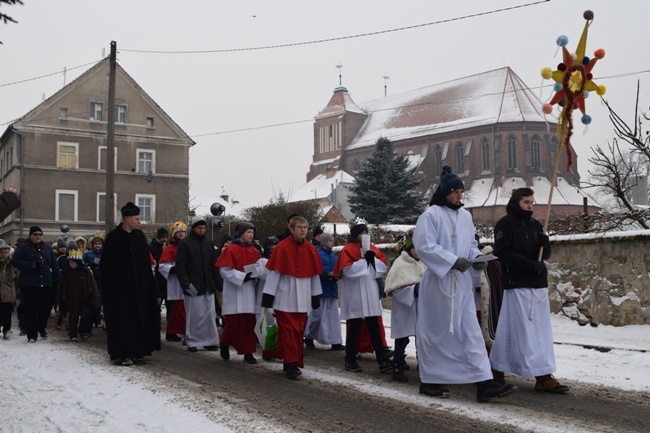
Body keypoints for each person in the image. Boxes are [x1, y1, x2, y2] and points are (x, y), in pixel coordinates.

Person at [413, 166, 515, 402]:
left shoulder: (466, 216)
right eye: (456, 192)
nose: (460, 196)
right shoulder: (430, 216)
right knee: (436, 332)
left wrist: (476, 259)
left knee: (471, 331)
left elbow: (470, 245)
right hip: (439, 283)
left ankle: (484, 382)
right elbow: (425, 247)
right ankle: (430, 380)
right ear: (445, 193)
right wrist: (451, 261)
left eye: (461, 191)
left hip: (461, 283)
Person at [491, 187, 570, 394]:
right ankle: (497, 368)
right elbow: (502, 253)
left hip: (538, 284)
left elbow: (544, 255)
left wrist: (546, 245)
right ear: (517, 202)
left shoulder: (535, 225)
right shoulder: (505, 224)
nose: (531, 206)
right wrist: (528, 265)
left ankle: (542, 375)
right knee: (517, 330)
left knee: (540, 332)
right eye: (527, 202)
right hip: (517, 283)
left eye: (532, 202)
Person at [262, 216, 323, 379]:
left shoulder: (311, 249)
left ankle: (290, 360)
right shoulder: (281, 248)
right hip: (284, 299)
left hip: (303, 299)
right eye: (299, 227)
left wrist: (315, 297)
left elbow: (314, 275)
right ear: (291, 229)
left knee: (298, 333)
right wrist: (268, 300)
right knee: (288, 332)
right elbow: (273, 276)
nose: (303, 230)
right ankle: (290, 365)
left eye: (305, 227)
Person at [100, 202, 161, 366]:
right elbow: (107, 266)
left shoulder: (139, 237)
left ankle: (137, 350)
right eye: (137, 218)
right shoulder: (113, 238)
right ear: (127, 218)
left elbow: (145, 264)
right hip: (120, 290)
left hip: (139, 288)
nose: (139, 222)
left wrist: (150, 286)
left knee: (138, 318)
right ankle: (121, 354)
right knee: (122, 320)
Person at [333, 220, 393, 374]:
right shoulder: (347, 249)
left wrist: (372, 260)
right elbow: (347, 271)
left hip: (370, 290)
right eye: (361, 233)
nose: (364, 236)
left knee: (373, 324)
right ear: (355, 235)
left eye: (366, 233)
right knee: (355, 325)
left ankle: (382, 359)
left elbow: (382, 267)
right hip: (356, 291)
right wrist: (363, 261)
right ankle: (350, 358)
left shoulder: (372, 248)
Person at [216, 222, 261, 364]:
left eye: (252, 232)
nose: (251, 235)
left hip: (249, 291)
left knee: (248, 323)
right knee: (233, 323)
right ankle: (224, 343)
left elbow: (260, 267)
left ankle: (248, 352)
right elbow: (224, 269)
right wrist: (242, 276)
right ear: (241, 233)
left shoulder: (255, 251)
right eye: (248, 232)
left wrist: (256, 274)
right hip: (235, 291)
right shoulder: (231, 249)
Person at [384, 231, 425, 383]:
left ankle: (424, 365)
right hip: (405, 308)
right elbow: (393, 288)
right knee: (403, 339)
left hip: (420, 307)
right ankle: (397, 367)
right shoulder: (400, 264)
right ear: (409, 248)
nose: (418, 251)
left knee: (422, 337)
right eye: (415, 248)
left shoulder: (423, 263)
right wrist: (413, 290)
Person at [175, 217, 220, 353]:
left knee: (209, 315)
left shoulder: (208, 242)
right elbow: (180, 266)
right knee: (194, 316)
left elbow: (214, 264)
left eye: (203, 228)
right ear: (194, 228)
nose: (202, 230)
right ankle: (192, 340)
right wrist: (186, 284)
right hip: (193, 286)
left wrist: (218, 283)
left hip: (207, 285)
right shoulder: (185, 244)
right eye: (199, 228)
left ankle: (209, 340)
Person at [12, 226, 62, 343]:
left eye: (40, 234)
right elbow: (15, 261)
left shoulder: (47, 248)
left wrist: (59, 280)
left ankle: (41, 327)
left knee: (45, 309)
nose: (38, 236)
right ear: (30, 235)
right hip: (29, 285)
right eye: (35, 234)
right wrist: (31, 265)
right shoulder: (23, 248)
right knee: (31, 310)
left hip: (46, 284)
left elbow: (54, 265)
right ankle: (32, 334)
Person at [304, 233, 344, 351]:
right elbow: (315, 270)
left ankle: (335, 341)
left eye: (332, 240)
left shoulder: (334, 256)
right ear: (323, 242)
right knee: (317, 316)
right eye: (329, 240)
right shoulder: (318, 255)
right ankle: (309, 336)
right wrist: (324, 275)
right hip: (320, 289)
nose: (332, 242)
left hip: (331, 289)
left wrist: (337, 275)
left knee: (333, 317)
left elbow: (338, 269)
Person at [56, 249, 101, 341]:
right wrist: (62, 297)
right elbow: (63, 286)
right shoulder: (67, 272)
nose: (71, 264)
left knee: (85, 316)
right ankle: (73, 334)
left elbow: (92, 285)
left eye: (73, 262)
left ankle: (83, 331)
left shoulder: (86, 272)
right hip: (72, 298)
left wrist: (93, 297)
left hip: (85, 298)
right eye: (69, 262)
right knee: (73, 316)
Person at [158, 221, 187, 343]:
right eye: (179, 233)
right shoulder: (170, 248)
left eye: (183, 233)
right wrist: (172, 269)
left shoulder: (187, 247)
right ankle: (177, 332)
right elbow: (162, 265)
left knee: (183, 309)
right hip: (175, 283)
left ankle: (173, 332)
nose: (181, 235)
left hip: (186, 281)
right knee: (177, 310)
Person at [83, 235, 104, 328]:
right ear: (92, 245)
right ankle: (91, 321)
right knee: (92, 300)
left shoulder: (105, 253)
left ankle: (98, 320)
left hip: (102, 280)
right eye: (96, 244)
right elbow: (82, 264)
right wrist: (90, 265)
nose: (97, 245)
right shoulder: (88, 254)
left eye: (99, 244)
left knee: (100, 301)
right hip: (91, 280)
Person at [0, 242, 18, 339]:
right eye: (2, 253)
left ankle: (7, 329)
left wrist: (18, 291)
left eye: (6, 253)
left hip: (8, 291)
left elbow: (16, 277)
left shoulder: (12, 263)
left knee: (7, 312)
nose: (4, 254)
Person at [149, 227, 169, 312]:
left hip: (167, 279)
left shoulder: (168, 247)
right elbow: (153, 261)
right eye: (162, 237)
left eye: (166, 237)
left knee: (169, 304)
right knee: (157, 303)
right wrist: (163, 254)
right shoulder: (152, 247)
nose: (164, 239)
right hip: (157, 278)